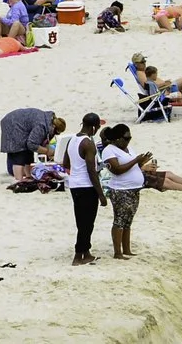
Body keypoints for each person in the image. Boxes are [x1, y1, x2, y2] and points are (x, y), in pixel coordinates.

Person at [98, 122, 148, 259]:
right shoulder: (109, 150)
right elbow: (116, 170)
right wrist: (136, 161)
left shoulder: (128, 148)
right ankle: (117, 252)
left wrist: (141, 162)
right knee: (119, 220)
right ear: (118, 138)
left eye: (129, 138)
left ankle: (126, 249)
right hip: (120, 189)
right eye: (126, 138)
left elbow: (131, 165)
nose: (128, 140)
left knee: (128, 221)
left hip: (133, 189)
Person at [64, 111, 103, 264]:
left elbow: (66, 163)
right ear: (93, 127)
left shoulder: (72, 140)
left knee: (81, 220)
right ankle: (78, 255)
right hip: (87, 186)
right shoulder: (88, 143)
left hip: (75, 185)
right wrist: (100, 194)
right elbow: (91, 170)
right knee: (87, 222)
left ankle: (85, 252)